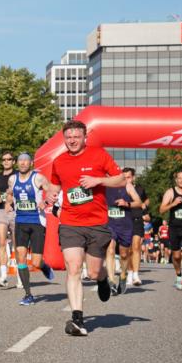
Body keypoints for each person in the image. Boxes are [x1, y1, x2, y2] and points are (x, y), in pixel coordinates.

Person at [44, 120, 125, 336]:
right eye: (68, 137)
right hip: (70, 223)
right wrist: (50, 195)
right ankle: (77, 319)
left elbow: (121, 180)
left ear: (84, 137)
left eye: (76, 137)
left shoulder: (99, 155)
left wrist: (98, 181)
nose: (72, 140)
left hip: (97, 223)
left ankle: (103, 279)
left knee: (94, 271)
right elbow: (55, 186)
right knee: (73, 268)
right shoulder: (59, 161)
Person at [3, 152, 55, 306]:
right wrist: (8, 202)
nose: (23, 163)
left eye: (26, 161)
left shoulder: (38, 178)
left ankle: (43, 266)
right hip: (20, 222)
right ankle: (28, 294)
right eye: (20, 161)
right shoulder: (12, 179)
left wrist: (45, 202)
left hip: (37, 222)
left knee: (36, 262)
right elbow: (10, 193)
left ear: (31, 163)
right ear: (17, 163)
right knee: (21, 256)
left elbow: (52, 191)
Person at [104, 173, 144, 295]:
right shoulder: (103, 186)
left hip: (125, 225)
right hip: (109, 224)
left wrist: (127, 204)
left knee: (124, 254)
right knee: (110, 249)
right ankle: (111, 281)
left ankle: (123, 275)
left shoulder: (128, 186)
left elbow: (139, 202)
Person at [0, 151, 17, 288]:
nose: (6, 161)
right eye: (4, 159)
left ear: (14, 161)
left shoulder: (18, 175)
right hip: (1, 211)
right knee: (1, 242)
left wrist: (11, 198)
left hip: (15, 211)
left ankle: (20, 276)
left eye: (9, 159)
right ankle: (3, 276)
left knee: (17, 244)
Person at [121, 168, 149, 286]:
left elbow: (146, 200)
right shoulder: (119, 189)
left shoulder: (140, 189)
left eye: (128, 177)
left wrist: (145, 211)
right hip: (124, 221)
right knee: (127, 250)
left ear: (133, 177)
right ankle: (129, 273)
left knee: (136, 247)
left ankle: (136, 276)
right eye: (124, 177)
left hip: (137, 220)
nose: (126, 179)